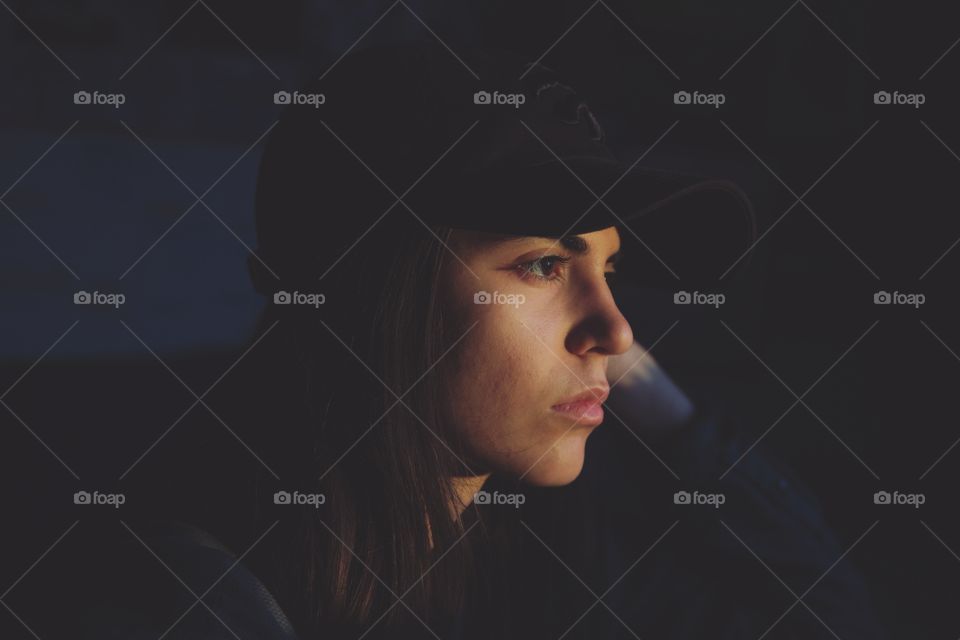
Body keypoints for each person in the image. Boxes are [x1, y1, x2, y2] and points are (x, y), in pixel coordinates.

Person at [73, 42, 887, 639]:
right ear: (367, 288)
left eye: (611, 267)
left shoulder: (545, 563)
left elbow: (830, 619)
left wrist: (668, 414)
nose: (617, 328)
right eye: (541, 265)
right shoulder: (193, 601)